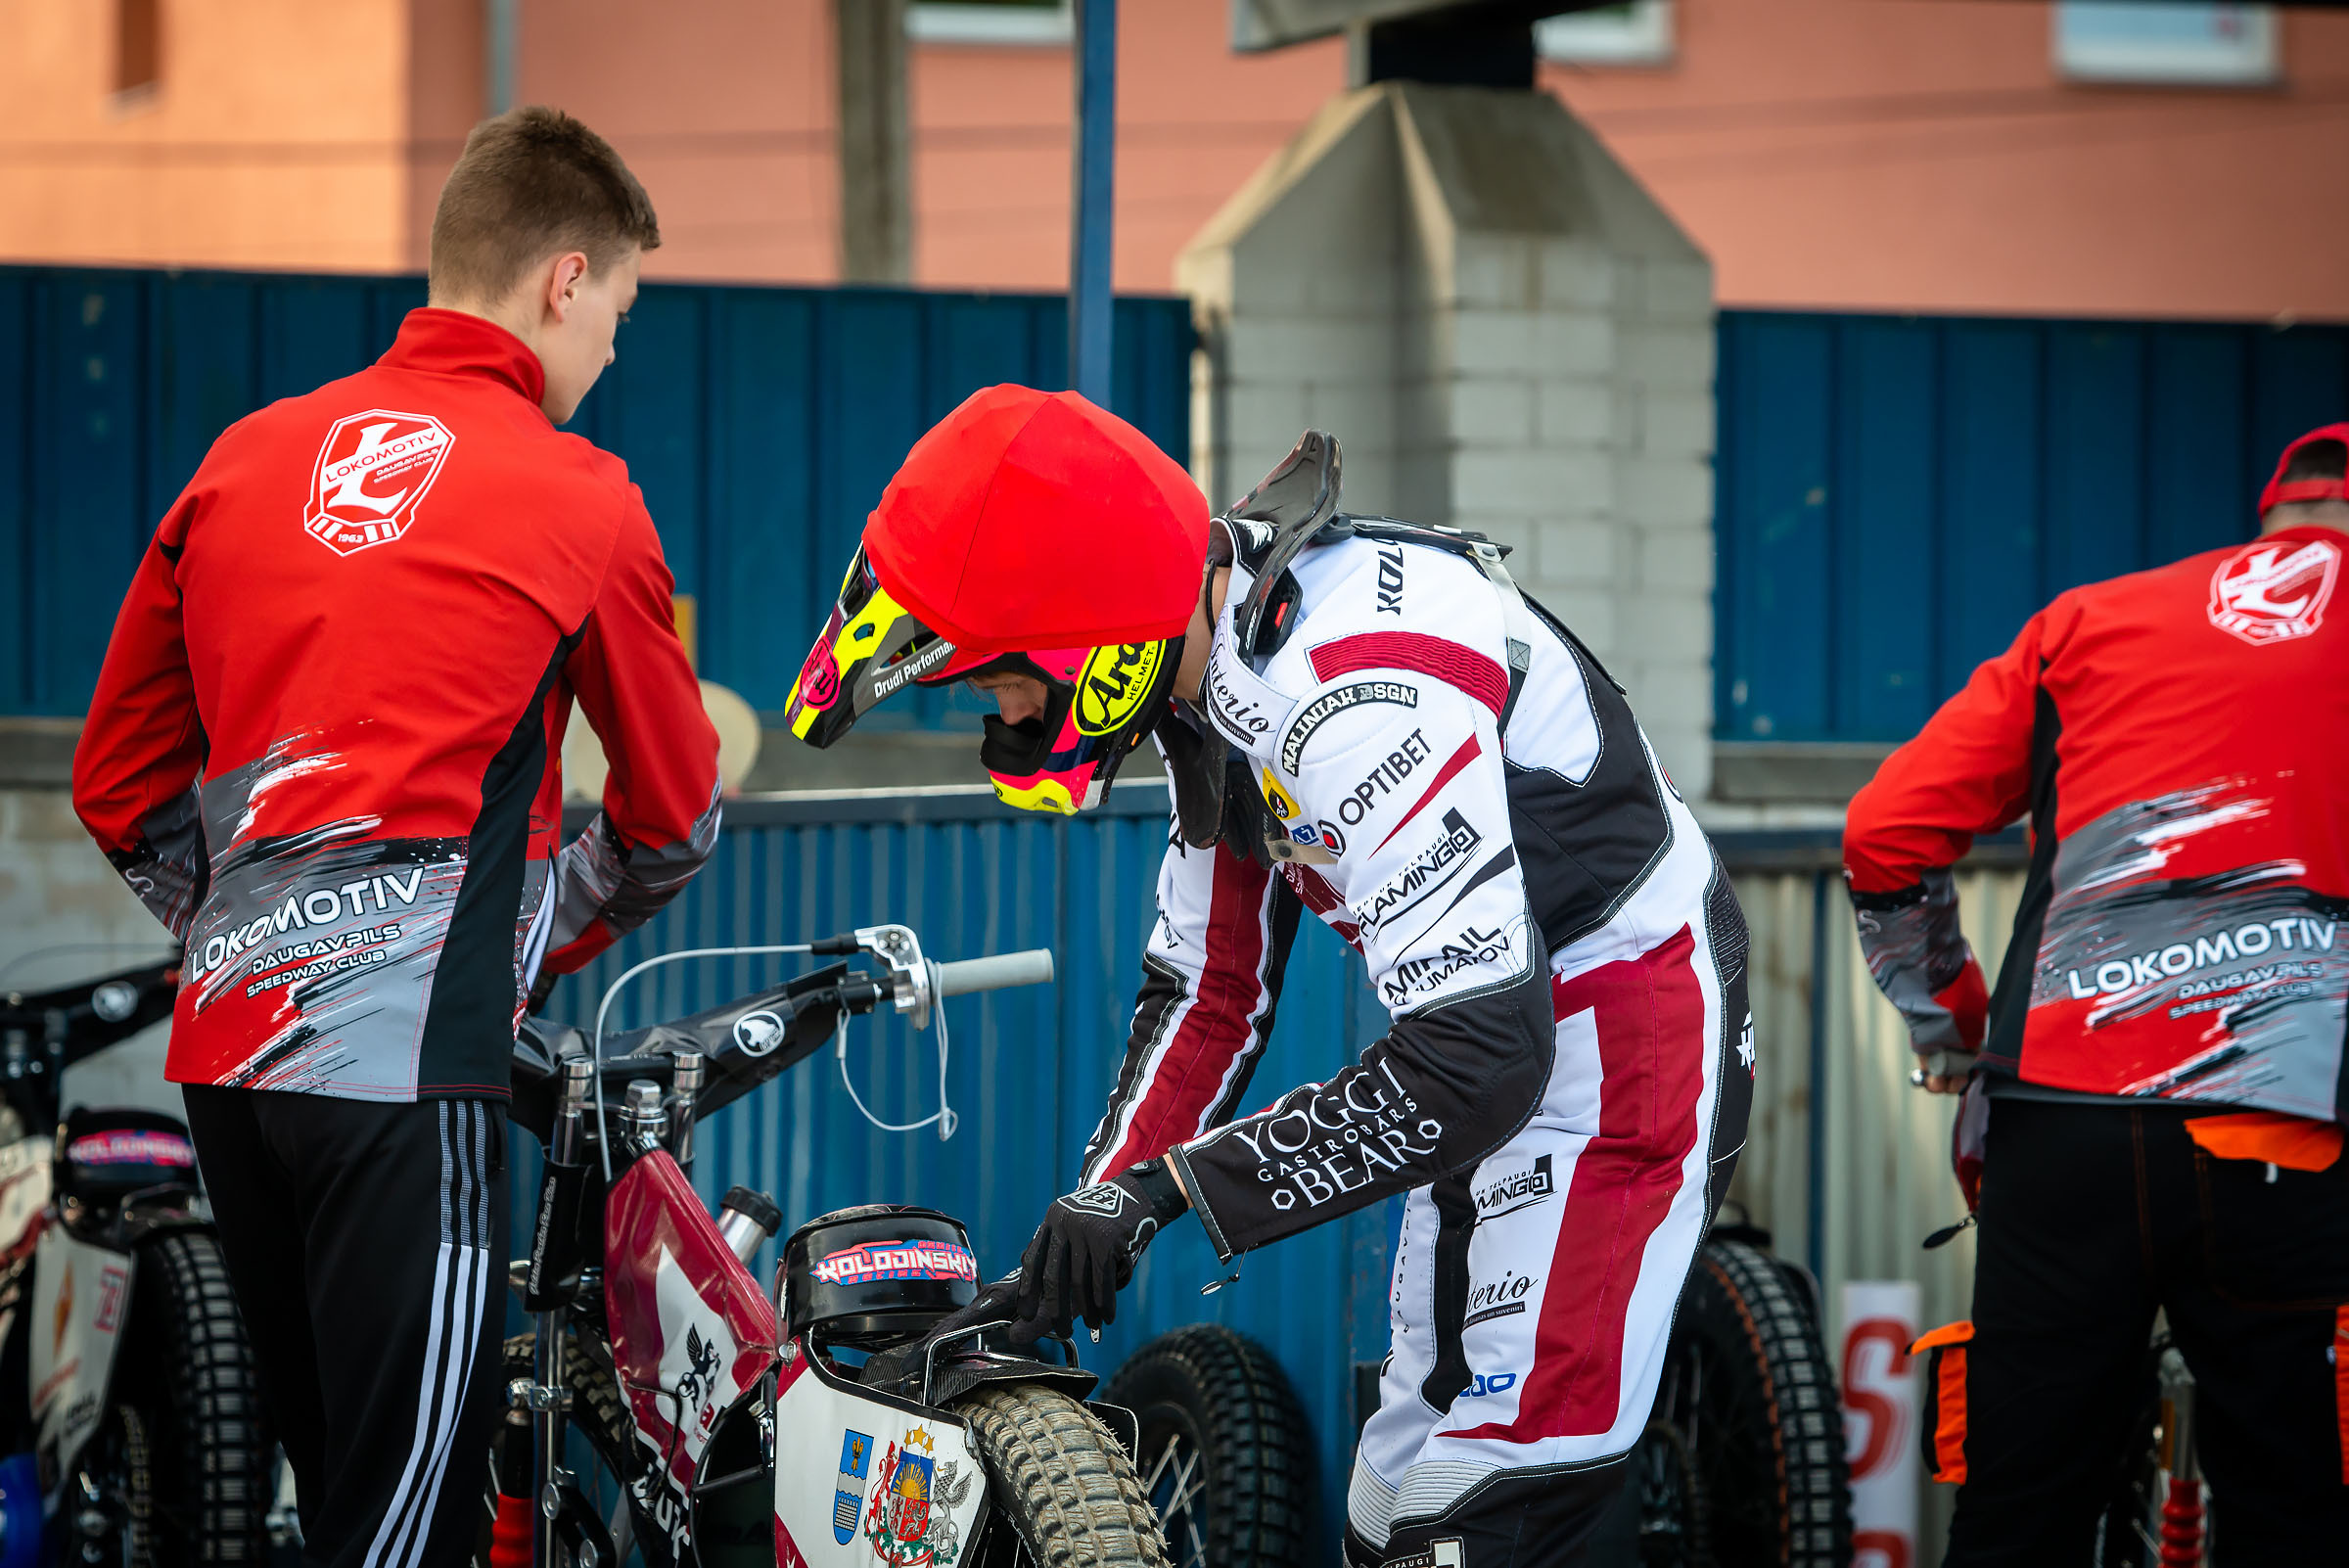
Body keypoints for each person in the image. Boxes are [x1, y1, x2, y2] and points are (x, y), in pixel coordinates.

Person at [786, 386, 1755, 1566]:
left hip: (1622, 1035)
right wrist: (1091, 1221)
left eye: (1000, 683)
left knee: (1473, 1519)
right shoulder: (1211, 652)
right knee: (1385, 1511)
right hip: (1498, 1047)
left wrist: (1172, 1193)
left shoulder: (1345, 698)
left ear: (1086, 638)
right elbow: (1212, 990)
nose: (1007, 717)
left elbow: (1480, 1060)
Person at [70, 108, 720, 1568]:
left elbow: (115, 783)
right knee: (410, 1529)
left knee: (344, 1503)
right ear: (563, 279)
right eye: (619, 313)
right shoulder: (584, 495)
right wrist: (525, 938)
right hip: (407, 1077)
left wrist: (261, 920)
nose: (612, 351)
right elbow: (674, 818)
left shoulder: (242, 460)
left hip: (232, 1067)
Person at [1843, 425, 2349, 1562]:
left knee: (2019, 1511)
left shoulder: (2092, 618)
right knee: (2298, 1509)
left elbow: (1884, 832)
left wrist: (1955, 1025)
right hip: (2282, 1132)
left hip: (2058, 1122)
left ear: (2272, 517)